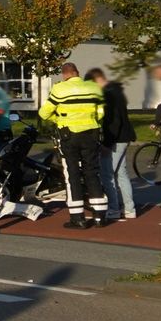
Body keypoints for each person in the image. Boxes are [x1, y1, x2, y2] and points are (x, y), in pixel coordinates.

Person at [39, 63, 107, 229]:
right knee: (92, 172)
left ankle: (78, 218)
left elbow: (44, 113)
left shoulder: (59, 89)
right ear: (78, 73)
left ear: (64, 75)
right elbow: (101, 112)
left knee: (72, 175)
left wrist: (59, 120)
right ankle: (99, 216)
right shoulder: (93, 88)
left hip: (69, 136)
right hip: (91, 134)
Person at [86, 68, 137, 220]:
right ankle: (129, 208)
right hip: (125, 136)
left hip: (115, 139)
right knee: (121, 174)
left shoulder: (108, 95)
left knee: (107, 175)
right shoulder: (117, 91)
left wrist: (107, 144)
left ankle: (114, 208)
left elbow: (113, 122)